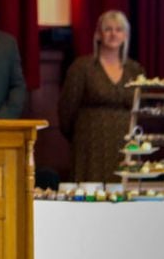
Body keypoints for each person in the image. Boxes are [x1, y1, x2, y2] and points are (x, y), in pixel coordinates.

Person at [58, 10, 144, 182]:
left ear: (125, 35)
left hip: (125, 145)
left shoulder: (135, 70)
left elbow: (140, 109)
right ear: (98, 35)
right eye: (108, 29)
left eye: (118, 30)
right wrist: (79, 137)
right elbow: (66, 111)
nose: (113, 34)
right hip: (90, 148)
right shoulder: (82, 67)